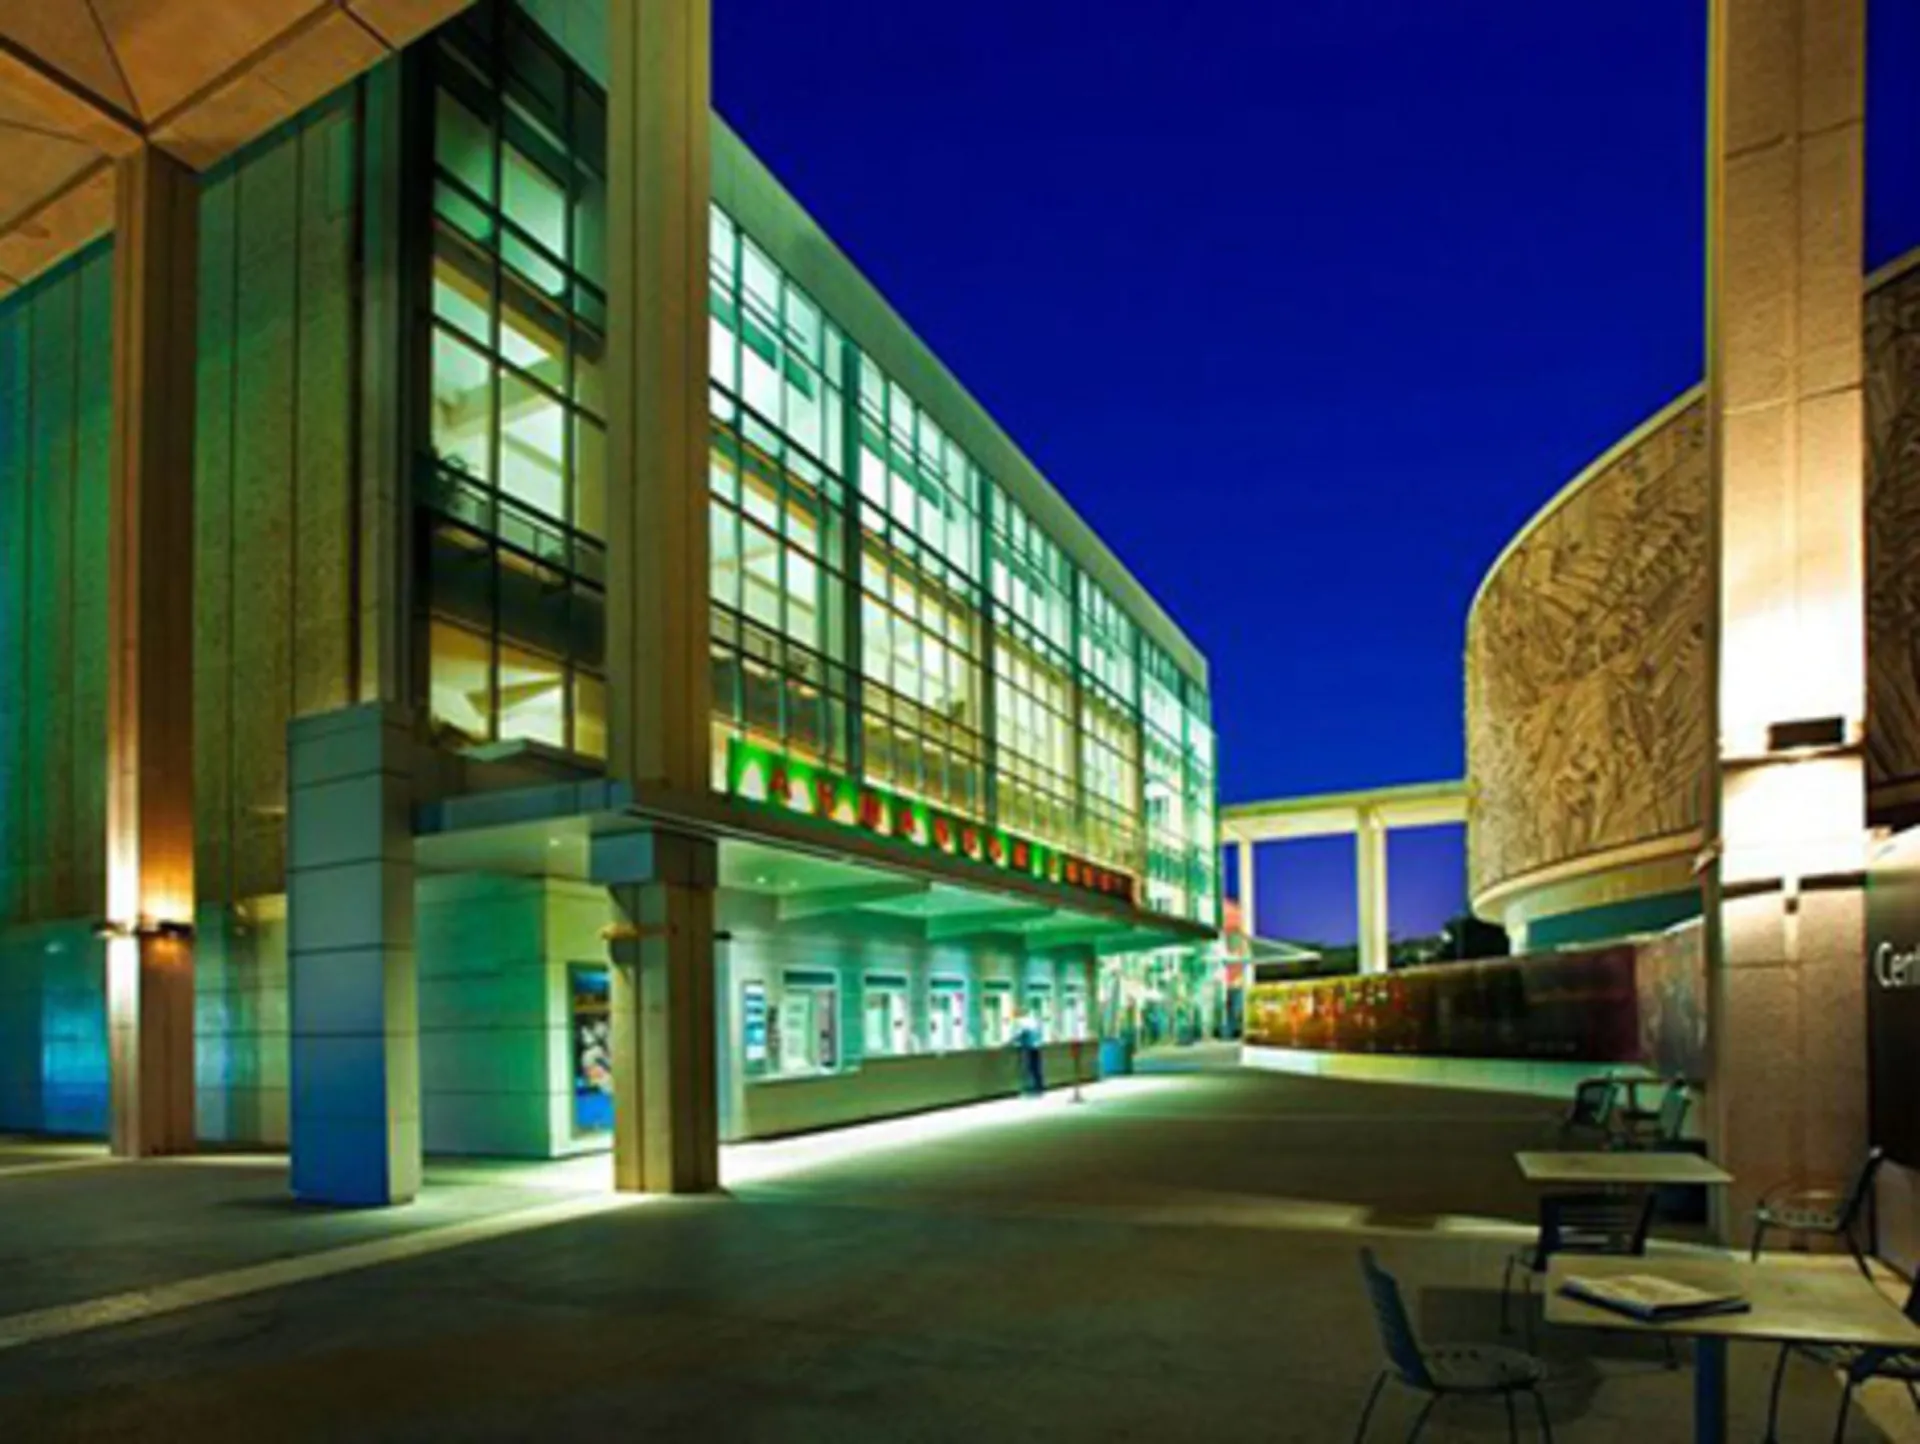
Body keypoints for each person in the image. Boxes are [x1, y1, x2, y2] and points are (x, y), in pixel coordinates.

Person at [1012, 1008, 1045, 1097]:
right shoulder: (1033, 1020)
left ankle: (1031, 1089)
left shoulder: (1022, 1022)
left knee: (1029, 1068)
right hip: (1036, 1047)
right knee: (1037, 1068)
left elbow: (1019, 1034)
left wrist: (1010, 1041)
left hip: (1028, 1048)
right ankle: (1039, 1089)